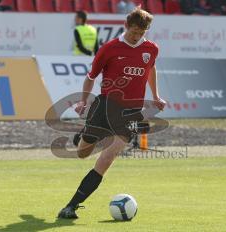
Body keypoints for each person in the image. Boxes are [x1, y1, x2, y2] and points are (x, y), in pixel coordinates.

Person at [58, 7, 166, 219]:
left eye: (141, 33)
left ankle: (70, 206)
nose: (137, 37)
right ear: (126, 26)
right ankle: (83, 136)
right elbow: (91, 76)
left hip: (131, 112)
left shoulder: (151, 49)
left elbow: (151, 68)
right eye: (134, 31)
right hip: (105, 106)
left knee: (108, 158)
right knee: (82, 153)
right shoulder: (109, 48)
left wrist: (156, 95)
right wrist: (82, 101)